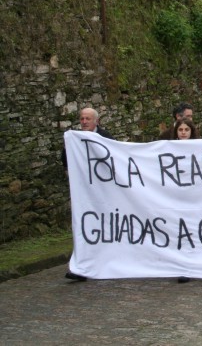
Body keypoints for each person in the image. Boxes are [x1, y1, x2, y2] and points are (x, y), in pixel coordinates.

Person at [64, 107, 114, 281]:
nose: (84, 122)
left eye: (87, 119)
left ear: (96, 121)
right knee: (82, 226)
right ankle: (81, 266)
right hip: (83, 194)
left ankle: (103, 261)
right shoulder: (75, 139)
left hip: (102, 194)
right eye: (82, 118)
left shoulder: (106, 137)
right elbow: (66, 158)